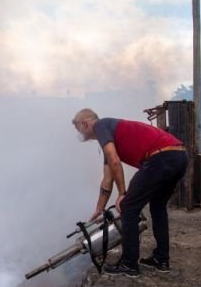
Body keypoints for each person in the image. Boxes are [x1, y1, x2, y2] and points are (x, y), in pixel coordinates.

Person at [72, 108, 188, 277]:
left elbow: (115, 161)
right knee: (158, 207)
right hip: (178, 156)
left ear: (84, 123)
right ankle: (161, 259)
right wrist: (99, 209)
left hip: (160, 157)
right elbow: (107, 178)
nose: (81, 134)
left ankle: (129, 264)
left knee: (128, 207)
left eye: (78, 129)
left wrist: (122, 193)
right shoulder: (108, 138)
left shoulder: (101, 125)